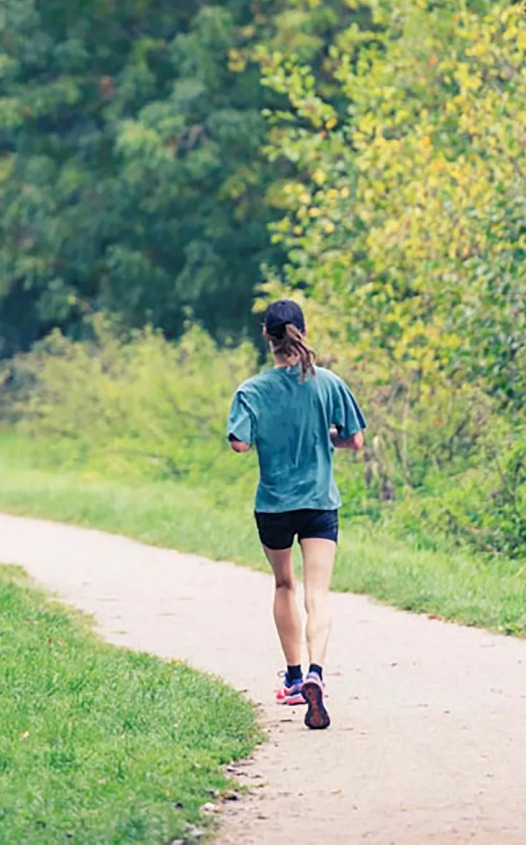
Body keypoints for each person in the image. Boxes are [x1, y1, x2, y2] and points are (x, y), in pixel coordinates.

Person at [226, 299, 366, 730]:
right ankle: (316, 674)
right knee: (318, 592)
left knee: (285, 583)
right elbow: (355, 442)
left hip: (274, 504)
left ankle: (291, 677)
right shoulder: (328, 383)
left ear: (266, 335)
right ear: (302, 331)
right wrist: (324, 437)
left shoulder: (252, 391)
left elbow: (239, 444)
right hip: (320, 502)